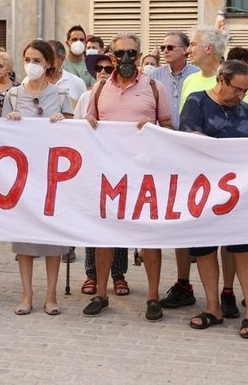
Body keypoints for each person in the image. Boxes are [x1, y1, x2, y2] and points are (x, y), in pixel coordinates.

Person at [82, 32, 172, 321]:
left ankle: (153, 297)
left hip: (145, 175)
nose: (126, 59)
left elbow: (169, 127)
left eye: (132, 53)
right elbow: (87, 125)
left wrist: (155, 127)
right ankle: (101, 294)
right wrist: (88, 124)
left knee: (150, 237)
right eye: (120, 54)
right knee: (103, 236)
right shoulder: (98, 90)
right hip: (108, 175)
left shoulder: (155, 87)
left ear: (139, 54)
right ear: (111, 56)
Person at [180, 60, 248, 339]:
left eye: (246, 91)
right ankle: (213, 308)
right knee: (204, 250)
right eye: (238, 90)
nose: (241, 96)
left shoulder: (246, 110)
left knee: (242, 251)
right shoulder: (196, 102)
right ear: (222, 80)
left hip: (240, 192)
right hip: (202, 192)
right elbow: (190, 138)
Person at [2, 40, 73, 315]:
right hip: (23, 175)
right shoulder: (14, 95)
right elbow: (0, 135)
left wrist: (63, 122)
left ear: (48, 64)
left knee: (52, 239)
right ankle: (27, 294)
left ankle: (51, 295)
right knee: (25, 240)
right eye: (27, 59)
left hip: (52, 175)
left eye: (37, 60)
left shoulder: (62, 94)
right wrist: (11, 120)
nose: (31, 64)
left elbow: (73, 132)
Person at [149, 31, 200, 310]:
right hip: (161, 154)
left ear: (185, 50)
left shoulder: (197, 74)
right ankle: (157, 287)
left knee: (185, 219)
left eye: (171, 47)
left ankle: (184, 281)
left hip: (191, 155)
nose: (165, 50)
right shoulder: (154, 75)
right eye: (162, 46)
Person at [77, 51, 131, 298]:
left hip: (122, 164)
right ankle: (92, 274)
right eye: (99, 68)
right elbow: (75, 130)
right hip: (94, 165)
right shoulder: (88, 96)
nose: (103, 72)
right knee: (95, 222)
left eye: (109, 69)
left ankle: (118, 274)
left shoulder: (126, 96)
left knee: (118, 221)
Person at [46, 39, 87, 108]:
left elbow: (84, 112)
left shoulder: (78, 83)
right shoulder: (30, 81)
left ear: (61, 59)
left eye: (50, 58)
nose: (46, 62)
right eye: (43, 57)